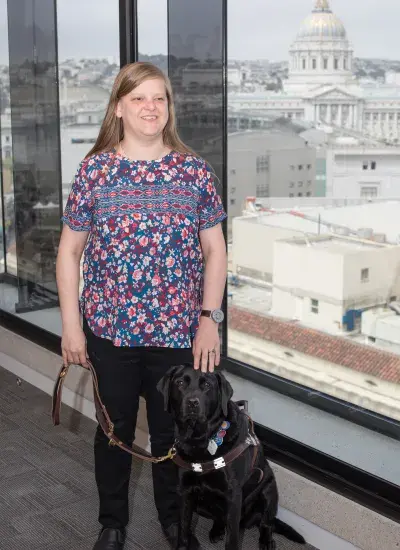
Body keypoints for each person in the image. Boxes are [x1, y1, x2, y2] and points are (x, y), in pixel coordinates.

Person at [56, 62, 227, 550]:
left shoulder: (192, 171)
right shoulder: (96, 170)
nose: (150, 107)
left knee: (176, 433)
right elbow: (69, 251)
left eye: (159, 98)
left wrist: (209, 320)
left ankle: (175, 521)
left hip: (177, 332)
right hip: (111, 331)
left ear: (168, 108)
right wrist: (72, 326)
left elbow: (215, 251)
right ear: (119, 107)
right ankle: (112, 523)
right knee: (115, 432)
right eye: (139, 98)